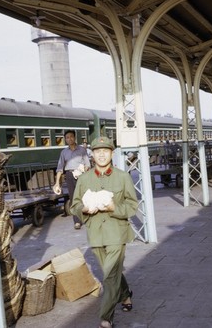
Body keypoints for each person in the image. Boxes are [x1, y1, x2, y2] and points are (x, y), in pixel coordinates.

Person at [70, 136, 138, 328]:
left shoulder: (123, 177)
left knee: (108, 276)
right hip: (95, 234)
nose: (101, 155)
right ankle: (125, 295)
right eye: (97, 151)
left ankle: (106, 318)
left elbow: (132, 206)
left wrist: (113, 208)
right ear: (92, 155)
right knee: (113, 273)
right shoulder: (84, 179)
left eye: (105, 151)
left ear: (112, 153)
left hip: (117, 232)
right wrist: (83, 209)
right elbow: (74, 205)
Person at [53, 130, 91, 229]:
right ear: (65, 140)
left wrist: (83, 170)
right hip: (69, 175)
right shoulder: (64, 152)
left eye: (71, 137)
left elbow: (87, 164)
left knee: (84, 197)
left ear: (75, 138)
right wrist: (57, 183)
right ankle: (77, 221)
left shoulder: (82, 150)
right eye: (67, 137)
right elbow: (60, 168)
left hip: (81, 175)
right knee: (73, 198)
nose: (69, 139)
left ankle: (87, 217)